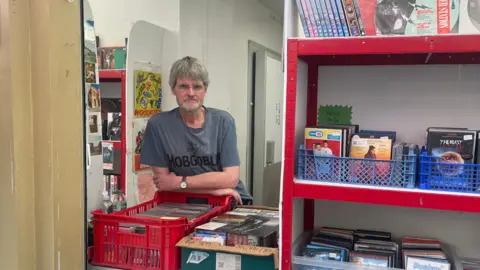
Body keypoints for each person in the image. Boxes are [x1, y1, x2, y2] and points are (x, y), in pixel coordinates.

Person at [139, 56, 252, 205]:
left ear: (205, 90)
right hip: (184, 204)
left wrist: (180, 182)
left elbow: (231, 178)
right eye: (183, 86)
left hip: (230, 200)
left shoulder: (224, 121)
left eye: (197, 86)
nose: (191, 93)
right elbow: (164, 183)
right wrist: (214, 190)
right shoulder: (158, 125)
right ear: (173, 89)